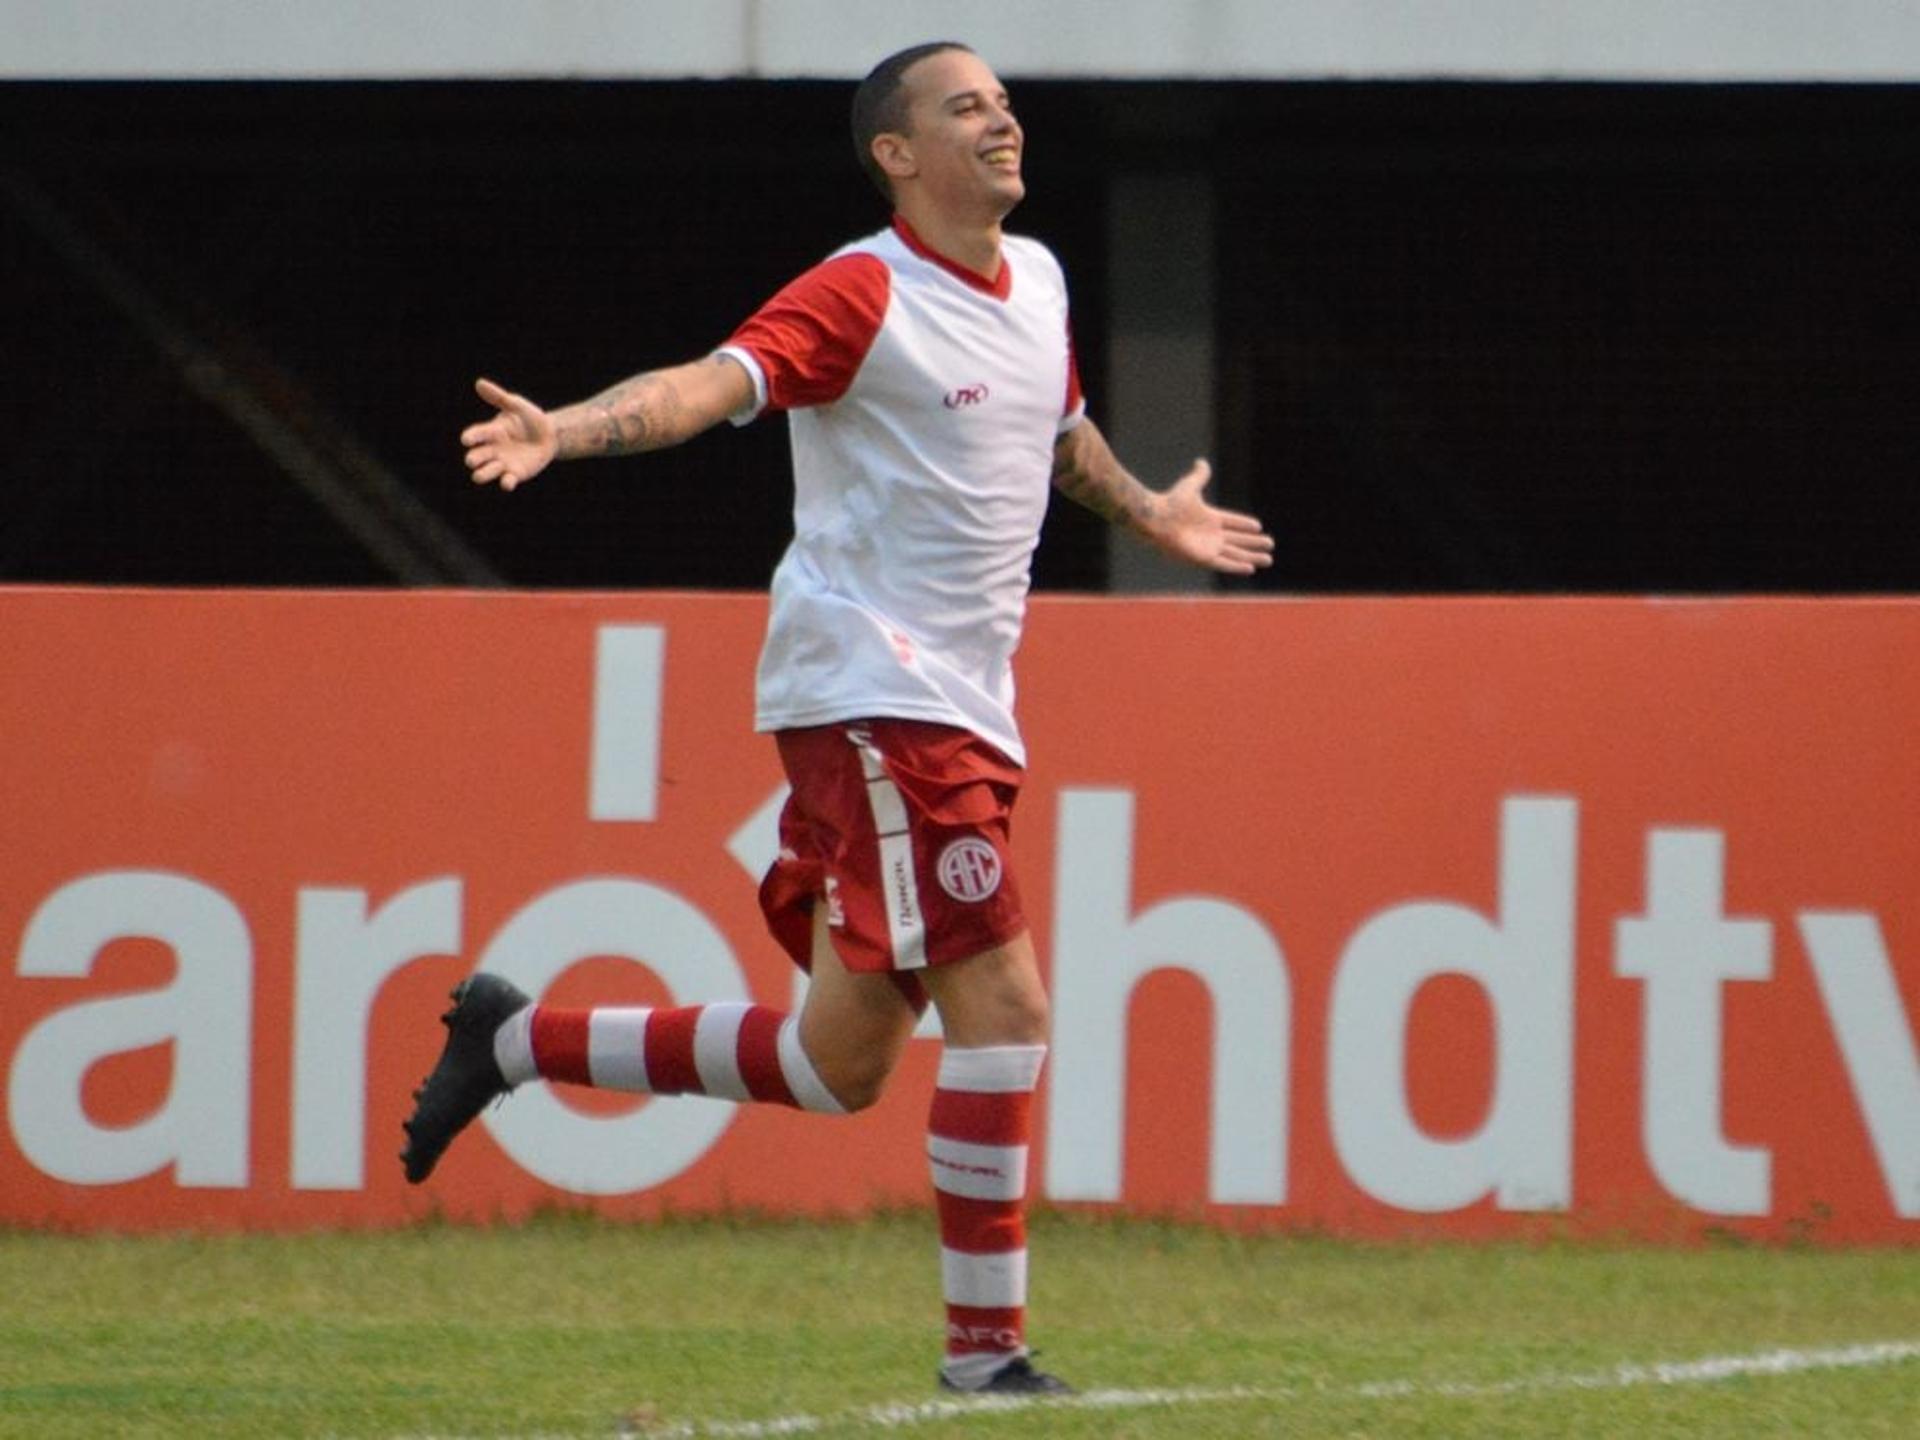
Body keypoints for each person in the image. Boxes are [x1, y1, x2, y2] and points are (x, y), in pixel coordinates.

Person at [402, 39, 1273, 1397]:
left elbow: (1055, 436)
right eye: (965, 106)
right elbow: (708, 386)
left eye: (1002, 100)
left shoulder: (1035, 280)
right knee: (1009, 1004)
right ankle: (987, 1364)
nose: (1001, 119)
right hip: (875, 692)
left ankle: (513, 1038)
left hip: (964, 703)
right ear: (896, 154)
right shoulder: (863, 289)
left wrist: (1154, 506)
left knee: (839, 1060)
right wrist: (567, 430)